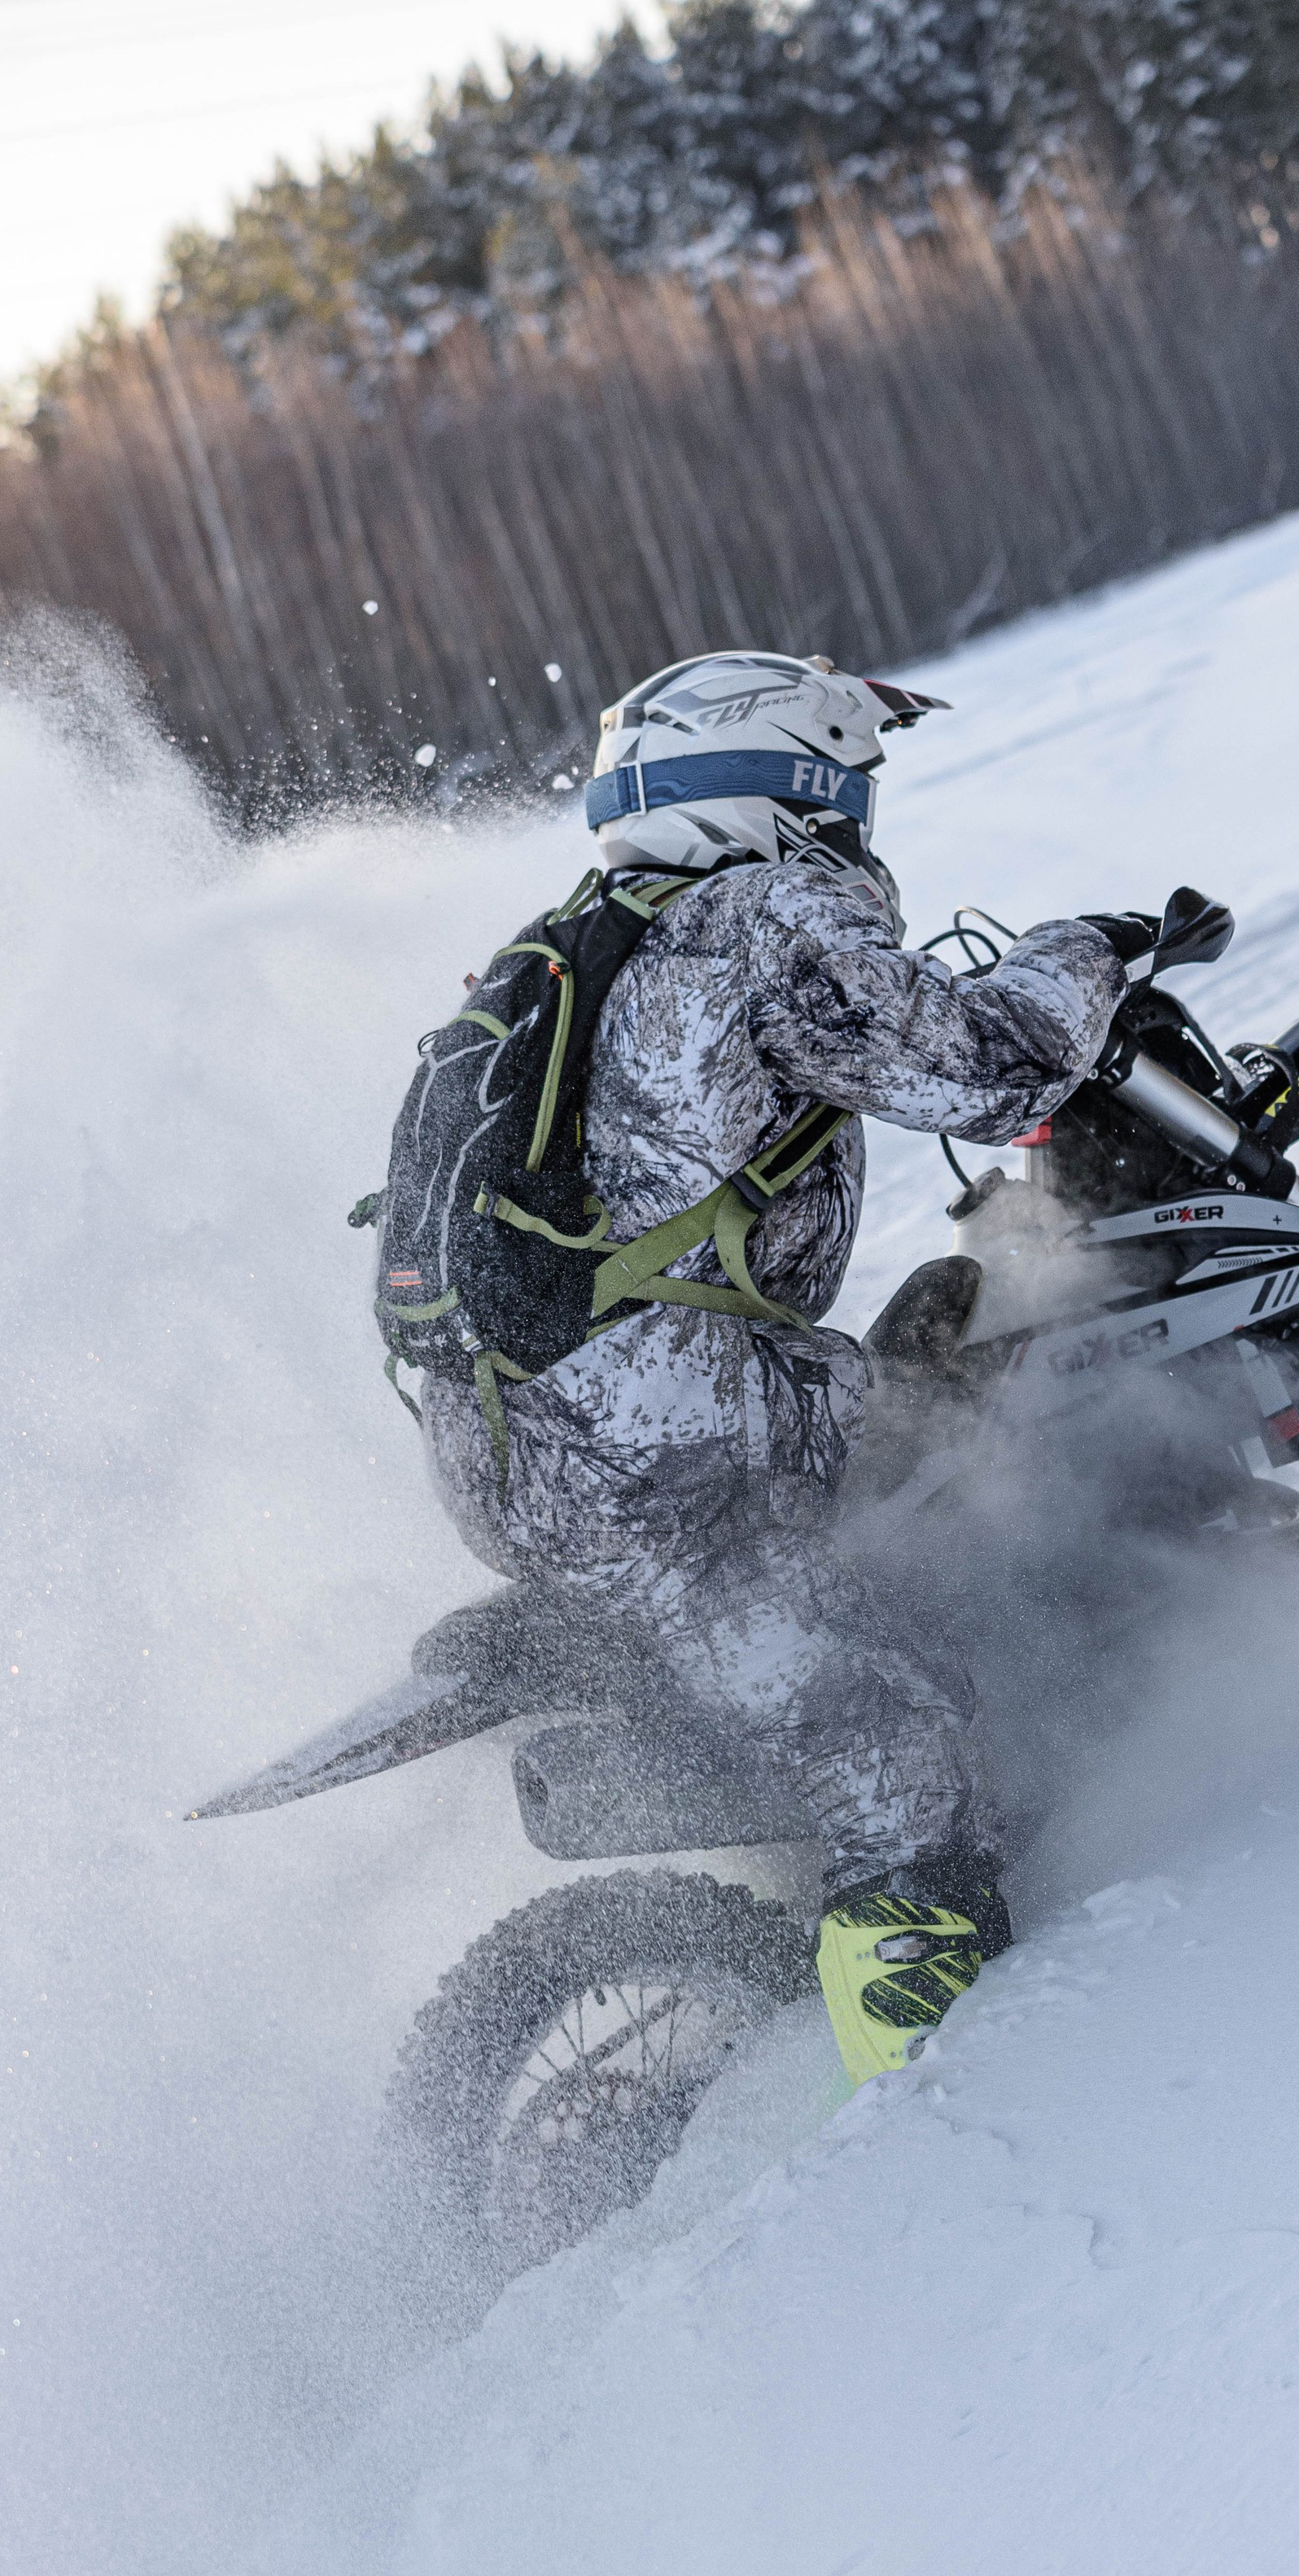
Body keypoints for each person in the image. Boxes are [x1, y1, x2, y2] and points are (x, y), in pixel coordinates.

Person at [420, 649, 1131, 2086]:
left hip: (519, 1438)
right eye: (849, 780)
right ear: (785, 781)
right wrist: (1097, 945)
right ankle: (933, 2094)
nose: (861, 814)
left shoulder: (594, 933)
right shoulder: (761, 918)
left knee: (955, 1346)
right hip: (657, 1454)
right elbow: (997, 1069)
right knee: (892, 1736)